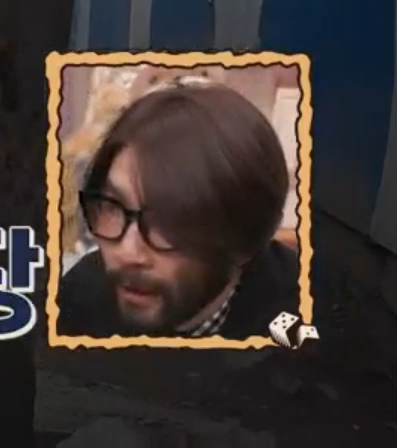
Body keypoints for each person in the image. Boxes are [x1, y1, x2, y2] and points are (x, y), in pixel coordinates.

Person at [55, 79, 299, 339]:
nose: (127, 252)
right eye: (113, 206)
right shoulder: (80, 298)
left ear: (244, 241)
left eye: (167, 220)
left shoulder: (301, 324)